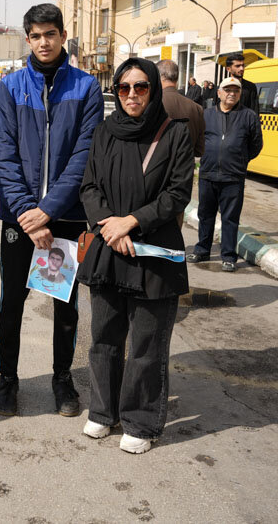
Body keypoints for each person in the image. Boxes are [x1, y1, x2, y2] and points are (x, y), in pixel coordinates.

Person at [0, 3, 104, 417]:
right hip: (19, 220)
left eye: (50, 34)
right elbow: (3, 157)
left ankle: (62, 379)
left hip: (67, 217)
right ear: (28, 39)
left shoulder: (86, 87)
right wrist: (28, 213)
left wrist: (49, 211)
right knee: (12, 302)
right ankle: (7, 378)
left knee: (65, 303)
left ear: (62, 36)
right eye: (36, 36)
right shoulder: (10, 88)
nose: (43, 42)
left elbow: (84, 156)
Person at [76, 57, 193, 454]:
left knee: (147, 344)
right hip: (109, 249)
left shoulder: (175, 133)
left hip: (153, 253)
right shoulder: (104, 131)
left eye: (140, 87)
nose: (131, 95)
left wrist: (130, 222)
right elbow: (89, 186)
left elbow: (177, 193)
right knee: (104, 338)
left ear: (153, 89)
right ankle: (102, 411)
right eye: (123, 87)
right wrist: (109, 225)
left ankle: (141, 422)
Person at [187, 77, 263, 272]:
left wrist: (240, 159)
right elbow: (197, 139)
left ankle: (228, 256)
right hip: (208, 174)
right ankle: (202, 249)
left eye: (235, 91)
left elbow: (256, 144)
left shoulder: (248, 116)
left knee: (230, 218)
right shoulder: (206, 114)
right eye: (227, 90)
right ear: (219, 93)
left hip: (233, 177)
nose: (231, 94)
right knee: (206, 215)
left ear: (240, 94)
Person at [156, 60, 204, 159]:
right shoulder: (197, 108)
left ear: (158, 76)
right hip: (185, 165)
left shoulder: (152, 103)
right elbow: (199, 150)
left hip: (157, 165)